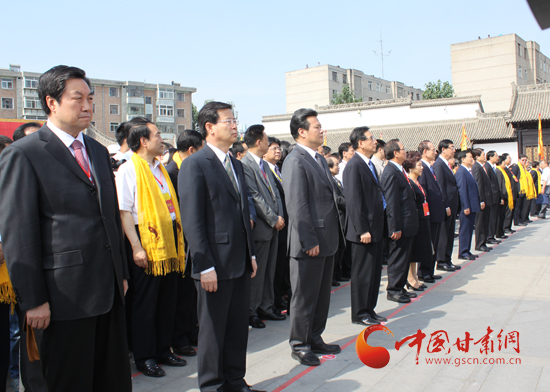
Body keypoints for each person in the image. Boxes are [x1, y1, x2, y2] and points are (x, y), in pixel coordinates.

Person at [0, 65, 132, 391]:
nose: (87, 106)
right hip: (63, 297)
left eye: (90, 98)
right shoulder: (25, 154)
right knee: (70, 381)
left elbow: (109, 218)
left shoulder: (98, 152)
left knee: (111, 379)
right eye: (78, 98)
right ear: (52, 102)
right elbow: (20, 232)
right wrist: (33, 300)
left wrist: (122, 273)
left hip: (108, 291)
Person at [179, 102, 261, 392]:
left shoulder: (235, 164)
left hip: (239, 260)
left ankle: (235, 380)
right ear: (210, 127)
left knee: (237, 328)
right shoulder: (195, 164)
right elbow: (192, 221)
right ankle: (213, 385)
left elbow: (241, 213)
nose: (235, 125)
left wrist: (250, 253)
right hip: (214, 263)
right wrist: (205, 266)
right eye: (228, 121)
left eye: (234, 119)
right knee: (213, 331)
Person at [116, 118, 186, 377]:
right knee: (146, 304)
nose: (162, 139)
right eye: (157, 135)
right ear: (143, 141)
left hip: (167, 246)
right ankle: (145, 357)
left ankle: (163, 350)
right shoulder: (129, 169)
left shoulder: (160, 168)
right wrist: (136, 247)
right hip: (144, 245)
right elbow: (124, 212)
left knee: (167, 301)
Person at [282, 108, 342, 367]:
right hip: (310, 243)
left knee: (321, 296)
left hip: (326, 239)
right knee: (304, 297)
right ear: (302, 132)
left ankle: (315, 337)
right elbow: (297, 205)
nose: (322, 130)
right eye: (317, 126)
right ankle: (299, 344)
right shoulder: (295, 160)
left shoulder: (317, 158)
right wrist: (309, 241)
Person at [165, 129, 205, 358]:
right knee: (182, 293)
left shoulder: (185, 167)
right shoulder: (172, 171)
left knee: (191, 293)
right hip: (180, 241)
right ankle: (179, 339)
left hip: (189, 239)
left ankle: (191, 332)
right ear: (191, 151)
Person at [241, 125, 285, 328]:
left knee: (269, 271)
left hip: (274, 226)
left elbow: (275, 192)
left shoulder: (264, 165)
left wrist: (280, 216)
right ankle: (251, 311)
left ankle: (266, 307)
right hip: (262, 227)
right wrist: (272, 218)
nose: (269, 143)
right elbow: (254, 196)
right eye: (267, 140)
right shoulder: (245, 164)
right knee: (257, 274)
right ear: (259, 142)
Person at [343, 127, 386, 325]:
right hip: (364, 231)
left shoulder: (368, 164)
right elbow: (353, 201)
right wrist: (362, 229)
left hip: (375, 227)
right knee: (363, 274)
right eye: (371, 138)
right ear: (360, 142)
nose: (374, 141)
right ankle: (360, 313)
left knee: (374, 272)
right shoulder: (354, 166)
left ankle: (370, 308)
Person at [381, 140, 419, 304]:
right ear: (395, 153)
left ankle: (400, 286)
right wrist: (394, 227)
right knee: (397, 258)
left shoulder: (399, 170)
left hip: (407, 223)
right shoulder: (390, 172)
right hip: (400, 225)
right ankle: (394, 290)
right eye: (403, 149)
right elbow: (391, 202)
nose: (405, 152)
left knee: (404, 257)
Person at [263, 137, 291, 312]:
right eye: (273, 148)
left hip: (285, 224)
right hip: (274, 225)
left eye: (278, 148)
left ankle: (280, 297)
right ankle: (273, 299)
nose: (278, 151)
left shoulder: (278, 170)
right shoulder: (265, 171)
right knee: (274, 267)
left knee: (282, 265)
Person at [417, 140, 445, 283]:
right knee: (428, 244)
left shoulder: (430, 168)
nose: (435, 152)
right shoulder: (422, 168)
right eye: (433, 150)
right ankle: (424, 272)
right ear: (425, 152)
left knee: (434, 242)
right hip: (429, 214)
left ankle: (430, 270)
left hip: (436, 212)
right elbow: (423, 193)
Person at [404, 151, 431, 292]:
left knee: (418, 251)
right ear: (411, 166)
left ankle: (414, 276)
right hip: (415, 220)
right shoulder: (409, 182)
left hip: (422, 218)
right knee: (413, 251)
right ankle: (410, 279)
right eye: (419, 165)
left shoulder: (417, 182)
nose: (422, 168)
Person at [433, 139, 461, 272]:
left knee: (450, 234)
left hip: (452, 204)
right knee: (444, 234)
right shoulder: (439, 165)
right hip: (446, 205)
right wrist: (445, 205)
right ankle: (441, 260)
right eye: (451, 147)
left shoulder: (446, 165)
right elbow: (441, 187)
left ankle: (447, 259)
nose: (453, 150)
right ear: (443, 149)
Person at [455, 150, 482, 260]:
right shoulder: (461, 172)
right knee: (465, 229)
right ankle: (463, 252)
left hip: (472, 205)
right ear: (463, 159)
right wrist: (465, 206)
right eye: (470, 157)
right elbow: (462, 190)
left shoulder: (468, 171)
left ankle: (467, 250)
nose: (472, 159)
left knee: (470, 229)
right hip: (467, 207)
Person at [326, 156, 346, 287]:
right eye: (336, 164)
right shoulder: (330, 181)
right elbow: (337, 199)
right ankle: (333, 275)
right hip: (338, 216)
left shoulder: (336, 180)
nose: (339, 167)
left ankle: (338, 272)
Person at [471, 149, 493, 252]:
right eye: (483, 155)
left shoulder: (482, 167)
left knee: (485, 222)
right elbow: (479, 184)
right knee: (480, 223)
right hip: (482, 199)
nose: (485, 157)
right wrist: (481, 200)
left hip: (487, 198)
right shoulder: (476, 167)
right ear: (477, 157)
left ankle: (483, 242)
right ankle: (479, 243)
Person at [484, 151, 502, 245]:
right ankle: (489, 236)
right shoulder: (487, 167)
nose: (498, 157)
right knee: (491, 218)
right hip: (491, 197)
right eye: (496, 156)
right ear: (490, 157)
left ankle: (492, 235)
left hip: (495, 196)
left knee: (494, 217)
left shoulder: (492, 167)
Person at [496, 155, 513, 238]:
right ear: (502, 162)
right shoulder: (498, 171)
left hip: (505, 196)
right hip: (502, 197)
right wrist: (501, 197)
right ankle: (499, 233)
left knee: (503, 215)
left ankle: (501, 232)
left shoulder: (502, 171)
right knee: (500, 216)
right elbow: (500, 185)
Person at [502, 153, 519, 234]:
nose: (510, 160)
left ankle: (508, 226)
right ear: (504, 160)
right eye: (509, 158)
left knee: (511, 211)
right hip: (508, 194)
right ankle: (506, 227)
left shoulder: (508, 169)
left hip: (513, 193)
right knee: (508, 212)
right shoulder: (503, 169)